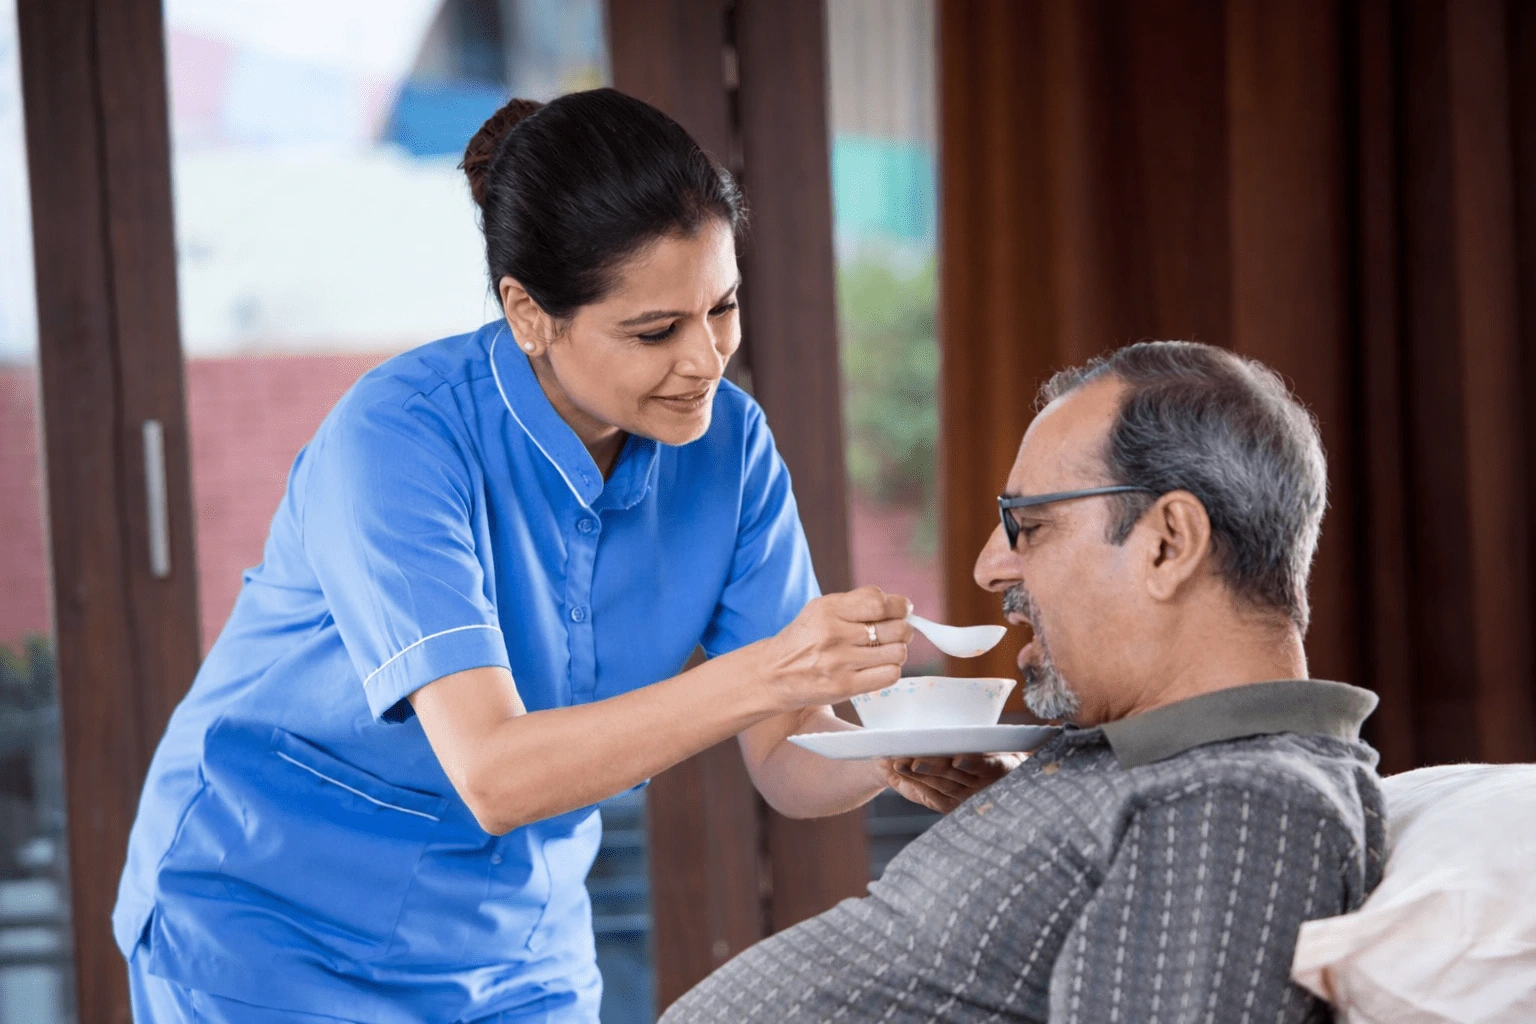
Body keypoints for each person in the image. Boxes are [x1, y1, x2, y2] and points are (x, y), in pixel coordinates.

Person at [111, 89, 1013, 1024]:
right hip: (269, 933)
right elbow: (496, 775)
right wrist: (771, 669)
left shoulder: (728, 449)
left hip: (513, 953)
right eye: (656, 331)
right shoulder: (397, 441)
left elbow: (787, 751)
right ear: (530, 313)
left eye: (724, 306)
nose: (708, 359)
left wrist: (893, 750)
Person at [662, 341, 1386, 1024]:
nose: (988, 568)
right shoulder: (1151, 768)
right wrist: (1028, 815)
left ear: (1168, 543)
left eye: (1028, 527)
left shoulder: (1239, 803)